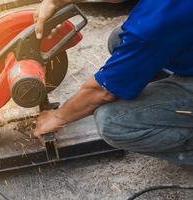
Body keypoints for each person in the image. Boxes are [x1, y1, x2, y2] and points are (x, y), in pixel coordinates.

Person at [34, 0, 193, 165]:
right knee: (119, 39)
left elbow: (102, 92)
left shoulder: (155, 24)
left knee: (112, 122)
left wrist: (57, 117)